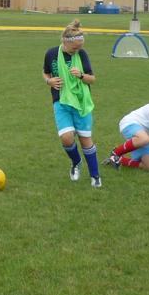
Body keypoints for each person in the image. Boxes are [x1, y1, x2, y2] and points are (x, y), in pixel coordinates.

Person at [42, 19, 102, 187]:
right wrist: (49, 81)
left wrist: (81, 75)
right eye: (75, 48)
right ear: (65, 42)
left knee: (85, 140)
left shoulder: (81, 55)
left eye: (79, 47)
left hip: (81, 103)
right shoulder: (51, 54)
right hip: (61, 101)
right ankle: (76, 162)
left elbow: (92, 79)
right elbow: (45, 72)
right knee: (67, 138)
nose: (77, 50)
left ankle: (95, 175)